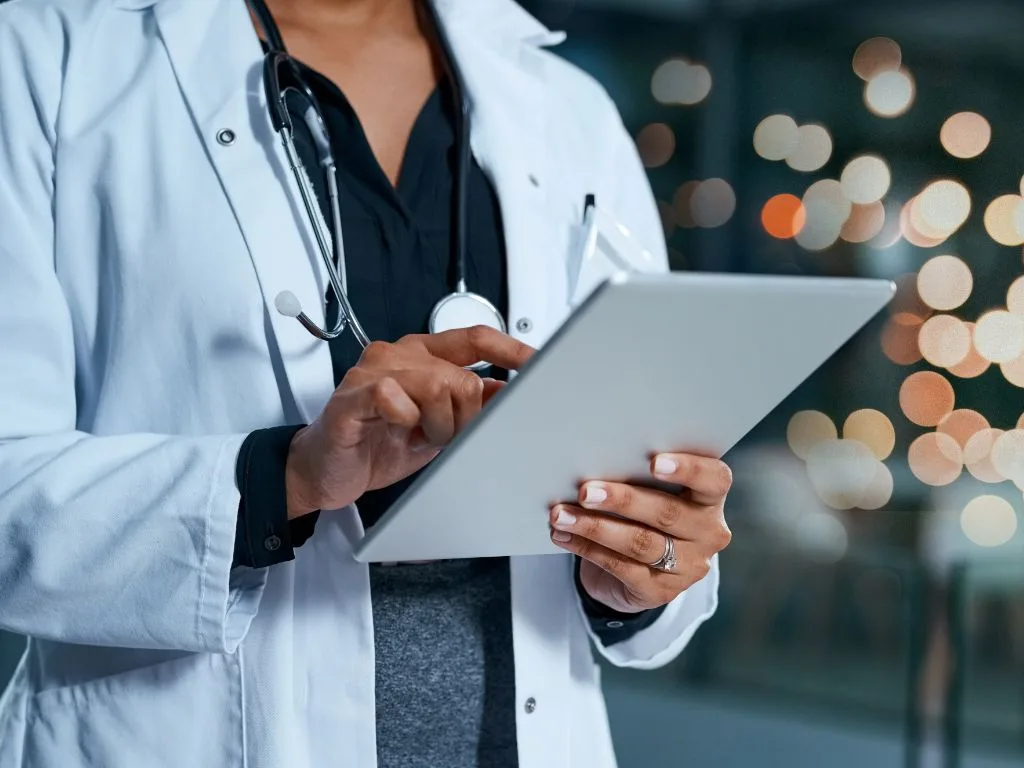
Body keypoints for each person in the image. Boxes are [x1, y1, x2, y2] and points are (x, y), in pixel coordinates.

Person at [0, 0, 732, 766]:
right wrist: (283, 479)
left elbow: (646, 472)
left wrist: (642, 569)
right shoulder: (52, 57)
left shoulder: (565, 105)